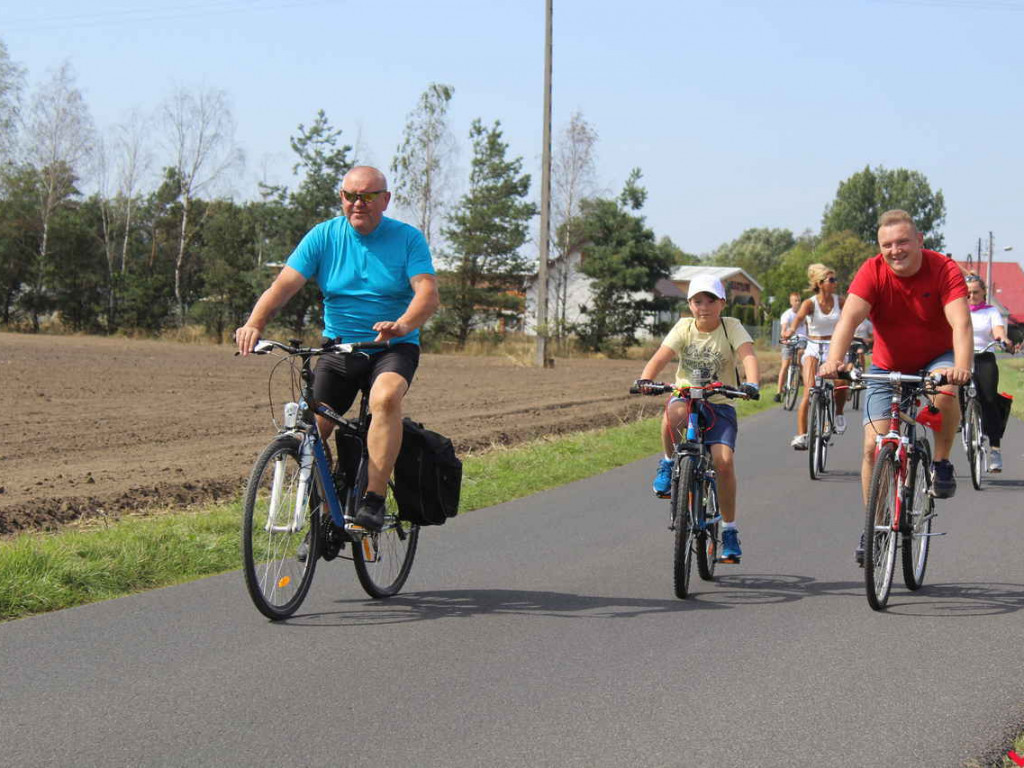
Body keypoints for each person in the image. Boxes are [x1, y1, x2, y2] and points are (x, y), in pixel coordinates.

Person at [235, 166, 440, 531]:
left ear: (385, 199)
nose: (357, 203)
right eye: (350, 196)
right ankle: (326, 511)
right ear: (341, 197)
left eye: (368, 196)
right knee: (311, 429)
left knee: (385, 400)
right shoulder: (323, 236)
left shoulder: (407, 239)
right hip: (340, 349)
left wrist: (403, 325)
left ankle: (373, 500)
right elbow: (283, 285)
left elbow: (427, 292)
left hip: (392, 346)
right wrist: (254, 323)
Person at [817, 209, 971, 564]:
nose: (895, 250)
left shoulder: (943, 269)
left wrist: (962, 368)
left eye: (903, 242)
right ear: (880, 248)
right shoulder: (872, 271)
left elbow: (960, 323)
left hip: (938, 357)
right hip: (887, 364)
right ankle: (876, 524)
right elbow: (849, 320)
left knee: (945, 392)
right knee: (873, 445)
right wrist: (834, 361)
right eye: (887, 244)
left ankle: (942, 461)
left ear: (919, 241)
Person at [634, 274, 761, 564]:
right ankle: (668, 463)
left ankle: (729, 531)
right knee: (671, 414)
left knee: (723, 462)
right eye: (697, 301)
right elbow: (660, 357)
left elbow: (748, 356)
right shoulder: (683, 327)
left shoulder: (732, 327)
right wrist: (645, 379)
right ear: (690, 305)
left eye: (710, 300)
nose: (704, 306)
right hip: (687, 397)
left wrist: (751, 383)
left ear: (722, 303)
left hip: (720, 403)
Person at [782, 264, 848, 449]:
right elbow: (798, 319)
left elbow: (851, 315)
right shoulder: (810, 303)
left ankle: (839, 413)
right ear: (820, 283)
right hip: (813, 346)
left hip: (834, 347)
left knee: (841, 384)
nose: (835, 283)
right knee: (809, 391)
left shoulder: (840, 301)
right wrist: (790, 330)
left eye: (835, 280)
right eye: (831, 280)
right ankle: (802, 435)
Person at [966, 274, 1013, 472]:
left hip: (984, 357)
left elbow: (998, 330)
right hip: (963, 357)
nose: (971, 296)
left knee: (989, 399)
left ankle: (995, 449)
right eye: (967, 293)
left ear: (984, 292)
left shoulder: (991, 311)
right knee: (948, 394)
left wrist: (1003, 340)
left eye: (976, 292)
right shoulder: (958, 309)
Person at [774, 291, 807, 402]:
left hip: (802, 339)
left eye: (799, 300)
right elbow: (783, 330)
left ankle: (807, 389)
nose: (798, 302)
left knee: (802, 357)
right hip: (790, 339)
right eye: (795, 300)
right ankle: (778, 392)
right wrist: (784, 335)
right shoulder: (787, 315)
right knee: (785, 365)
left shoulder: (804, 314)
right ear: (791, 302)